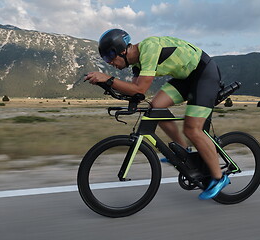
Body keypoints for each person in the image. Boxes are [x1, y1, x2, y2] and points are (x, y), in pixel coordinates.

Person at [85, 29, 229, 200]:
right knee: (155, 107)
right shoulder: (137, 65)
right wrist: (108, 87)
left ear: (121, 51)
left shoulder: (149, 48)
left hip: (204, 73)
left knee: (192, 129)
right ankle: (183, 151)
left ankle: (219, 178)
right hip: (186, 78)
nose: (110, 63)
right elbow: (136, 94)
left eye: (109, 58)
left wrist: (108, 79)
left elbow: (139, 89)